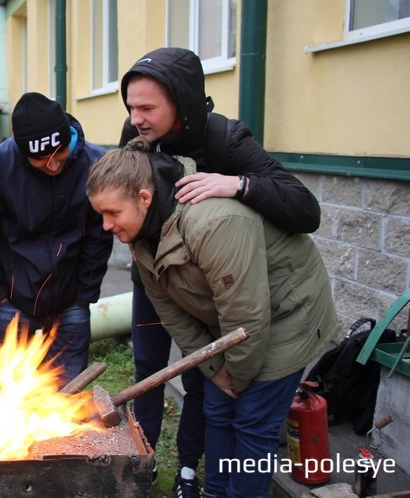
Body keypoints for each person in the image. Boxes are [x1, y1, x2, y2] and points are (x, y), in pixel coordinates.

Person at [117, 47, 322, 497]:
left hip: (239, 290)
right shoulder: (137, 137)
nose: (136, 119)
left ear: (182, 102)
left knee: (218, 392)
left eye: (147, 107)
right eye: (131, 107)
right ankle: (177, 471)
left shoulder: (224, 140)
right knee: (168, 370)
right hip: (163, 281)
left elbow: (305, 209)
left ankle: (196, 470)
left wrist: (238, 185)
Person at [87, 137, 336, 498]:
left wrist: (237, 376)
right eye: (101, 215)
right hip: (232, 323)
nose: (106, 226)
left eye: (113, 214)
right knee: (217, 410)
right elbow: (169, 309)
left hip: (289, 316)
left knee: (253, 424)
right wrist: (215, 368)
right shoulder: (141, 233)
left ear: (144, 198)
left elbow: (247, 314)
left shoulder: (213, 223)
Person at [0, 92, 113, 386]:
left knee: (68, 396)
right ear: (23, 152)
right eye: (41, 160)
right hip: (11, 302)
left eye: (59, 154)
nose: (53, 165)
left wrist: (84, 294)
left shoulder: (95, 164)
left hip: (72, 302)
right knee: (3, 394)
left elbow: (99, 236)